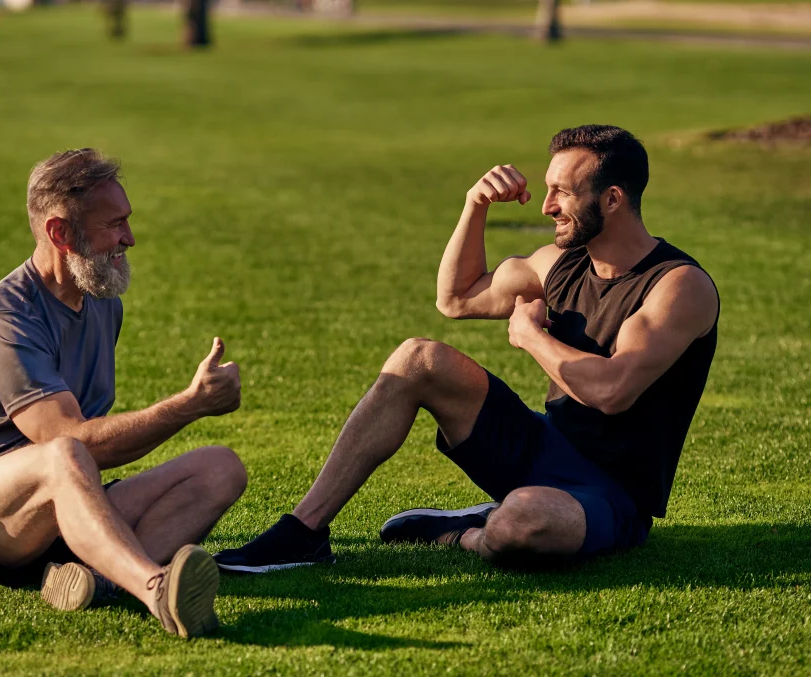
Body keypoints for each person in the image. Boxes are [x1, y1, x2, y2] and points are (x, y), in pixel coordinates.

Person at [215, 125, 718, 573]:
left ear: (612, 199)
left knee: (520, 523)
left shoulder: (677, 287)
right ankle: (302, 533)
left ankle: (466, 532)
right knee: (418, 359)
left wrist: (530, 337)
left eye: (561, 193)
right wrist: (474, 204)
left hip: (612, 495)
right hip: (544, 448)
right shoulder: (559, 264)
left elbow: (612, 391)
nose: (546, 207)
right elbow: (456, 298)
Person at [0, 149, 247, 637]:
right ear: (59, 234)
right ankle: (155, 590)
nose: (129, 238)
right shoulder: (5, 321)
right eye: (114, 225)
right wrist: (188, 405)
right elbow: (68, 440)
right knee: (64, 452)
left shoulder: (102, 305)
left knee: (221, 468)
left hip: (60, 495)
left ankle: (88, 579)